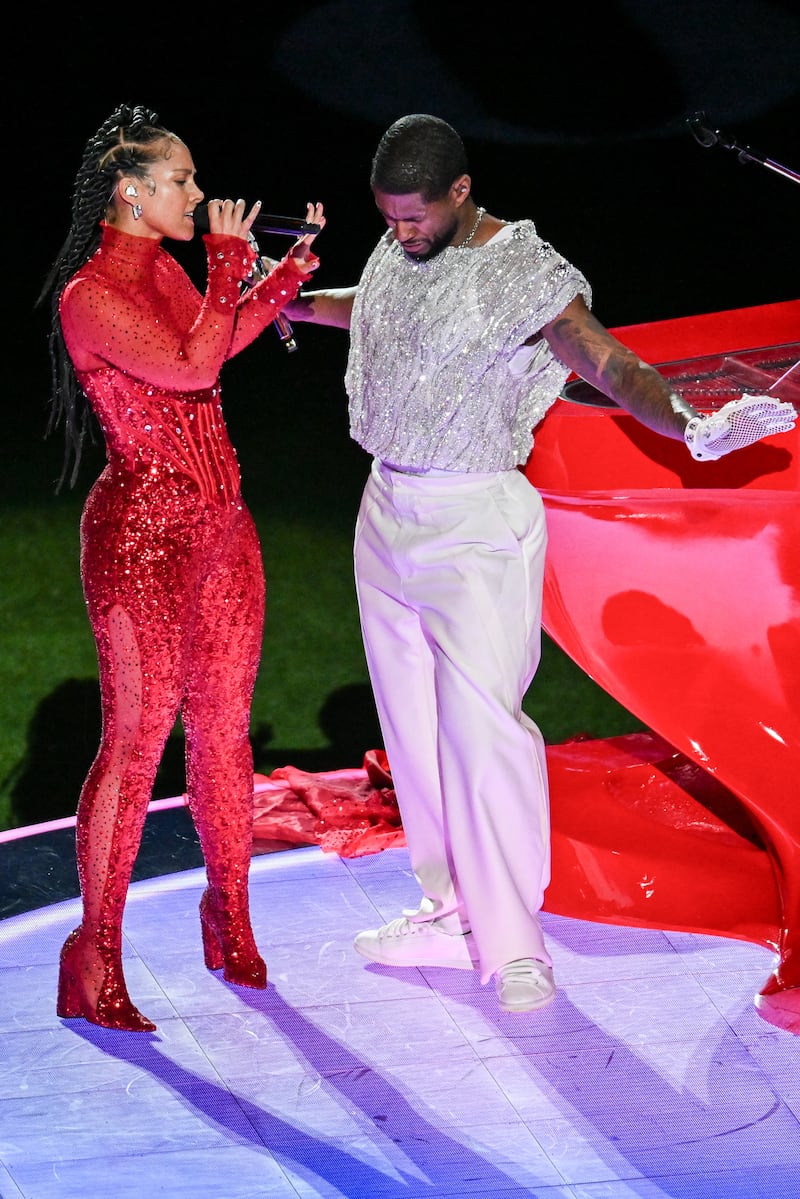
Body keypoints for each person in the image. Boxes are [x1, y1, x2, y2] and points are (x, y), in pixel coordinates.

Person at [279, 113, 796, 1015]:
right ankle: (450, 911)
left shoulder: (524, 268)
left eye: (413, 218)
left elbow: (602, 358)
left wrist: (689, 421)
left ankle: (517, 942)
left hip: (473, 518)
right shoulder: (411, 245)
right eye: (389, 217)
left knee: (484, 730)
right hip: (385, 508)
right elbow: (385, 302)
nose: (400, 233)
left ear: (462, 192)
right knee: (413, 728)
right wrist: (302, 304)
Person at [37, 103, 325, 1031]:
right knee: (135, 738)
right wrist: (233, 265)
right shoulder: (90, 296)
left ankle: (229, 915)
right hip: (140, 543)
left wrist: (279, 283)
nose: (200, 195)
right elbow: (191, 367)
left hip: (221, 529)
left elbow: (216, 340)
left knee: (225, 734)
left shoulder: (161, 265)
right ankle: (97, 955)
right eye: (183, 181)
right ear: (133, 190)